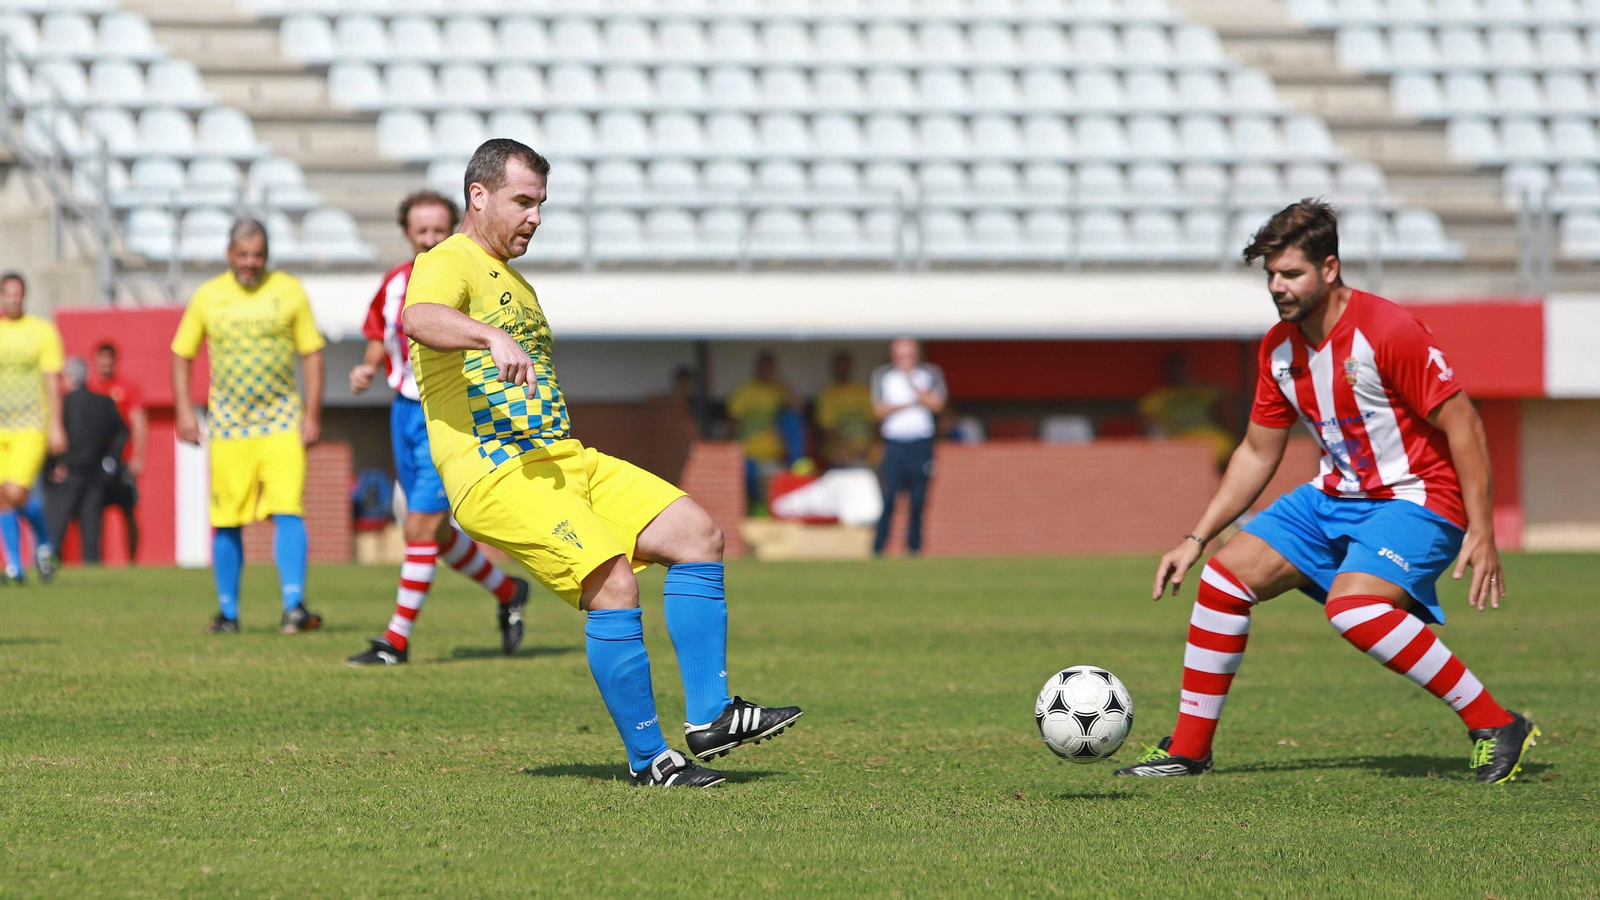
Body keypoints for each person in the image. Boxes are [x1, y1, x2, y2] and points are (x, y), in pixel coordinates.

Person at [401, 138, 800, 787]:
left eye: (541, 205)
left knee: (697, 534)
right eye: (522, 201)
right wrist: (487, 333)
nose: (534, 217)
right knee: (613, 581)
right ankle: (652, 761)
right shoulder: (450, 261)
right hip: (496, 472)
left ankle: (712, 716)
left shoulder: (518, 283)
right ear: (479, 196)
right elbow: (419, 319)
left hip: (562, 460)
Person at [1115, 201, 1536, 784]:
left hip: (1416, 497)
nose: (1277, 288)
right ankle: (1188, 749)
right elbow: (1258, 452)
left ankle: (1495, 722)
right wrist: (1195, 536)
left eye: (1290, 274)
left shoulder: (1388, 330)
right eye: (1270, 275)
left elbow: (1463, 423)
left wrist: (1483, 530)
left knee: (1354, 608)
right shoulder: (1277, 350)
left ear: (1330, 268)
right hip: (1333, 497)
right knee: (1222, 579)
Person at [345, 189, 530, 667]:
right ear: (407, 233)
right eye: (420, 230)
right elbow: (378, 337)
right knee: (436, 535)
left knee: (421, 526)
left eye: (437, 230)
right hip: (403, 412)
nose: (429, 239)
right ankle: (510, 592)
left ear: (453, 228)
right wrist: (368, 369)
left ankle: (396, 641)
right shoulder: (394, 284)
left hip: (446, 413)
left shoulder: (465, 276)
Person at [171, 218, 327, 635]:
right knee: (225, 517)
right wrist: (185, 412)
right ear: (229, 255)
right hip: (227, 425)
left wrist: (312, 414)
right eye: (242, 255)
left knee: (288, 509)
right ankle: (228, 613)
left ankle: (294, 607)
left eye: (257, 255)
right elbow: (181, 353)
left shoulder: (289, 291)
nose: (250, 263)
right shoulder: (208, 296)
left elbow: (312, 355)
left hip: (281, 423)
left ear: (267, 255)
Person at [0, 272, 65, 585]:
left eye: (17, 293)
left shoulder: (42, 332)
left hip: (30, 423)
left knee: (15, 491)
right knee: (3, 496)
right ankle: (15, 566)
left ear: (24, 296)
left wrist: (56, 425)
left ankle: (44, 540)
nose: (12, 299)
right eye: (7, 293)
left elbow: (52, 381)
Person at [870, 338, 946, 557]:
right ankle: (879, 548)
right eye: (901, 355)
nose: (906, 360)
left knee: (919, 498)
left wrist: (917, 391)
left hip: (921, 443)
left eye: (910, 354)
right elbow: (878, 410)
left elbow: (938, 404)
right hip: (894, 443)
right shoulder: (884, 376)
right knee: (889, 495)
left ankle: (914, 548)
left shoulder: (929, 374)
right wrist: (906, 403)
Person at [46, 357, 127, 563]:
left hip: (67, 472)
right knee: (91, 528)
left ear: (69, 377)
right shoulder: (104, 402)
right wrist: (109, 461)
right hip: (96, 473)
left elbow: (51, 437)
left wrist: (52, 467)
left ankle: (50, 564)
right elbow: (122, 431)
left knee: (56, 526)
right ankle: (91, 568)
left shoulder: (62, 403)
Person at [85, 342, 146, 562]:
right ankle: (95, 562)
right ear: (95, 361)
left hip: (123, 462)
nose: (105, 364)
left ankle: (132, 561)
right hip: (95, 463)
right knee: (93, 514)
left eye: (109, 360)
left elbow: (138, 422)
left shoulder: (127, 387)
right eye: (101, 359)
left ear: (115, 361)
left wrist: (138, 456)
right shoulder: (89, 387)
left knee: (128, 510)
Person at [726, 351, 798, 512]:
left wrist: (780, 383)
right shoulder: (745, 390)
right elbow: (732, 421)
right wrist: (729, 450)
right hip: (748, 452)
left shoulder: (777, 389)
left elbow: (797, 407)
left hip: (773, 454)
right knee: (748, 483)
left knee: (780, 489)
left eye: (770, 367)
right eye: (764, 367)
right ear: (757, 368)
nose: (766, 370)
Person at [1138, 352, 1235, 468]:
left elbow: (1225, 394)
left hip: (1212, 439)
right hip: (1179, 440)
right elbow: (1151, 427)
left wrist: (1196, 384)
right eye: (1174, 371)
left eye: (1182, 369)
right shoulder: (1156, 399)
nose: (1179, 374)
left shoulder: (1203, 391)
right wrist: (1162, 447)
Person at [814, 351, 876, 468]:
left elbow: (875, 423)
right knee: (839, 457)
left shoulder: (863, 391)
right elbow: (827, 430)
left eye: (846, 366)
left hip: (866, 447)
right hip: (840, 448)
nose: (843, 370)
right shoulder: (827, 394)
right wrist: (851, 448)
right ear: (833, 370)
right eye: (839, 367)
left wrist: (869, 446)